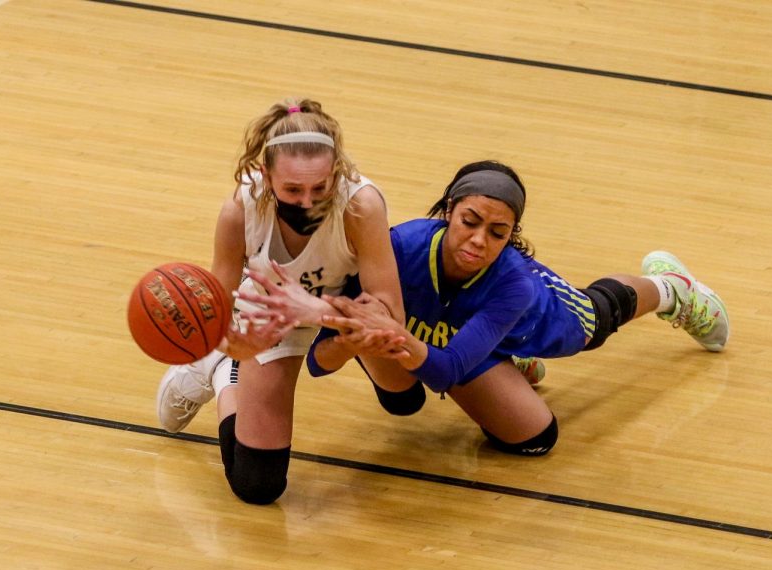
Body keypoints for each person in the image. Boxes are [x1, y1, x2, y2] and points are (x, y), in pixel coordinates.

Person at [294, 160, 729, 457]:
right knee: (401, 404)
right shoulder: (398, 248)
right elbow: (316, 363)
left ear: (510, 235)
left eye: (498, 232)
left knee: (539, 429)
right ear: (449, 211)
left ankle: (671, 289)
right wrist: (348, 339)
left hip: (527, 324)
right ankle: (506, 363)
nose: (480, 240)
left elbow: (446, 373)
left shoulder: (516, 285)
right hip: (443, 343)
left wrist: (392, 336)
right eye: (470, 222)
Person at [155, 98, 404, 505]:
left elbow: (391, 312)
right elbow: (216, 316)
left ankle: (249, 363)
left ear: (336, 173)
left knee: (404, 396)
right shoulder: (240, 211)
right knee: (257, 486)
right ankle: (222, 374)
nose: (307, 202)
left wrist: (322, 313)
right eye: (292, 189)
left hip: (348, 306)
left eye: (319, 188)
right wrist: (236, 345)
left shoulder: (361, 204)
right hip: (273, 315)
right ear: (266, 175)